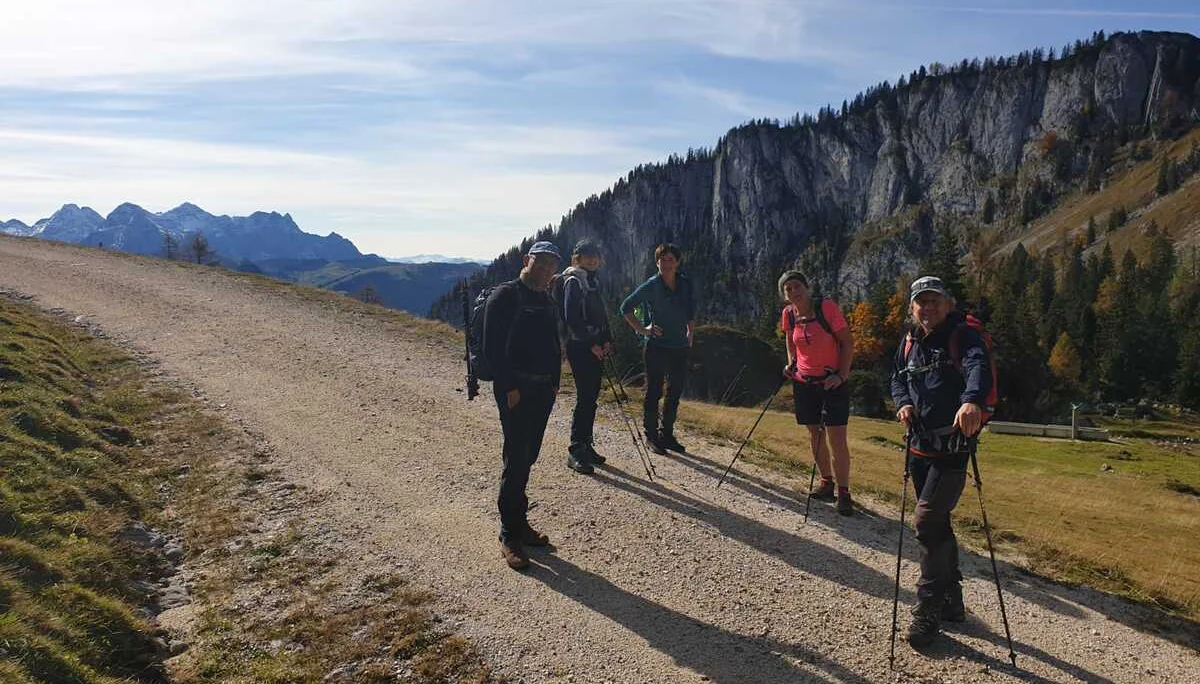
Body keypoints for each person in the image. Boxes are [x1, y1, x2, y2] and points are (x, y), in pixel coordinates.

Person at [889, 275, 992, 648]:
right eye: (921, 302)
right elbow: (896, 379)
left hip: (952, 448)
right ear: (912, 308)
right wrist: (903, 403)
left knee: (927, 521)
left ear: (947, 305)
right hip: (919, 447)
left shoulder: (962, 336)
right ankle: (952, 600)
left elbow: (977, 364)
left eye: (935, 301)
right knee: (937, 523)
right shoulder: (909, 341)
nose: (928, 307)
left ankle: (928, 607)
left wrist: (972, 400)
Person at [482, 240, 563, 570]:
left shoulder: (546, 297)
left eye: (550, 266)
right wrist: (510, 388)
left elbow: (554, 342)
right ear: (527, 260)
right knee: (516, 458)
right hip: (517, 390)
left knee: (528, 455)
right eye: (540, 263)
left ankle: (520, 524)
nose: (545, 270)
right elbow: (493, 349)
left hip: (543, 389)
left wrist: (556, 381)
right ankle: (509, 535)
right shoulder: (507, 296)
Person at [777, 270, 856, 515]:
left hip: (832, 382)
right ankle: (826, 483)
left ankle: (844, 492)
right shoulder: (789, 314)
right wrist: (791, 363)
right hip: (804, 382)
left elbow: (848, 342)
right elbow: (790, 341)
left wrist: (841, 375)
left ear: (807, 287)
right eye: (788, 289)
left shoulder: (826, 307)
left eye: (797, 286)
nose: (794, 292)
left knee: (836, 438)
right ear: (784, 295)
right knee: (815, 433)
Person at [620, 243, 694, 455]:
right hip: (657, 347)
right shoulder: (652, 285)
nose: (667, 263)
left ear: (677, 262)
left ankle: (667, 435)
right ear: (657, 263)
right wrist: (644, 330)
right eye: (663, 260)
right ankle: (651, 436)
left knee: (675, 391)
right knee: (654, 391)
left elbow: (690, 309)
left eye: (671, 259)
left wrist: (691, 332)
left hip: (680, 346)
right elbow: (625, 307)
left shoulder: (684, 284)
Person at [561, 239, 614, 475]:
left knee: (591, 397)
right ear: (577, 259)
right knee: (585, 397)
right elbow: (571, 318)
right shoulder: (573, 281)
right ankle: (575, 450)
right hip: (580, 347)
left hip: (593, 346)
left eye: (595, 256)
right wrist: (593, 343)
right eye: (586, 255)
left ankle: (586, 445)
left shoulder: (591, 281)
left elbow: (600, 315)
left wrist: (608, 340)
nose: (592, 259)